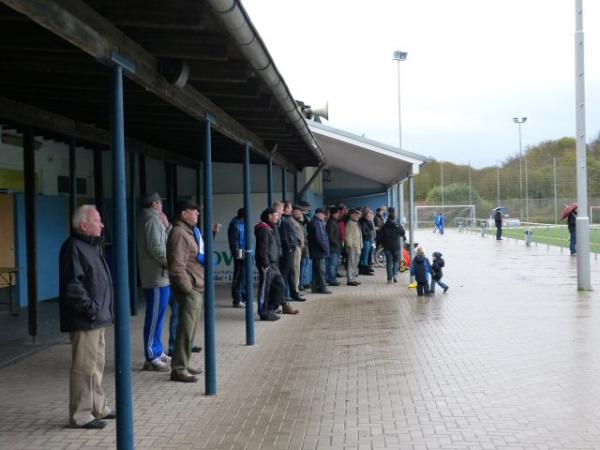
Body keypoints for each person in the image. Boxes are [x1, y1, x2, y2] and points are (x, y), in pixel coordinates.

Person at [59, 205, 115, 429]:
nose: (101, 224)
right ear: (83, 224)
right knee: (84, 367)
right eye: (97, 220)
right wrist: (91, 309)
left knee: (96, 365)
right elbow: (73, 286)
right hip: (86, 319)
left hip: (96, 318)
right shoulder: (74, 247)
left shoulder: (91, 246)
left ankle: (98, 407)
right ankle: (81, 415)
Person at [167, 201, 205, 383]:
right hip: (190, 288)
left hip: (195, 286)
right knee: (185, 329)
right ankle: (179, 369)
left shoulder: (189, 232)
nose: (197, 213)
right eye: (193, 211)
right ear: (183, 213)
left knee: (190, 329)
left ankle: (184, 362)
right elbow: (176, 266)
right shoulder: (179, 233)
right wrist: (188, 288)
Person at [136, 192, 172, 372]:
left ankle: (158, 350)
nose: (162, 205)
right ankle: (151, 355)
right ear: (154, 204)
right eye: (160, 202)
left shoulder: (156, 219)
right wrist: (171, 261)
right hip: (155, 276)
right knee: (154, 317)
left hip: (161, 275)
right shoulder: (150, 220)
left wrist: (167, 226)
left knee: (159, 315)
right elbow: (156, 247)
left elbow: (164, 242)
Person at [255, 208, 288, 320]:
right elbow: (262, 248)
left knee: (280, 286)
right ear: (269, 216)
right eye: (276, 215)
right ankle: (263, 313)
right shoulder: (263, 229)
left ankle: (271, 309)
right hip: (267, 265)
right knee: (265, 289)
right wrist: (265, 263)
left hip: (274, 264)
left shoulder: (272, 228)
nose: (278, 217)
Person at [279, 201, 303, 302]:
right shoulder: (284, 220)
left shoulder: (289, 219)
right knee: (286, 273)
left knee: (292, 272)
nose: (291, 209)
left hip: (292, 248)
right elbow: (284, 237)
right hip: (288, 250)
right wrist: (289, 248)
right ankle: (284, 295)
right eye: (289, 207)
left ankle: (294, 293)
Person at [307, 207, 331, 294]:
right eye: (323, 215)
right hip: (319, 251)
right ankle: (323, 288)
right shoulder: (317, 223)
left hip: (315, 250)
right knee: (321, 270)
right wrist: (325, 249)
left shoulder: (314, 222)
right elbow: (320, 238)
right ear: (319, 214)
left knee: (316, 270)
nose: (324, 216)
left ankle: (315, 288)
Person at [379, 211, 406, 284]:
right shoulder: (397, 225)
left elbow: (380, 236)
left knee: (388, 263)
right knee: (396, 261)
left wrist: (382, 244)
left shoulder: (384, 226)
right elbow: (403, 233)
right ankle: (395, 276)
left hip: (387, 247)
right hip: (396, 247)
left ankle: (389, 279)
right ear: (395, 218)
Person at [227, 208, 246, 308]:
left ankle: (243, 298)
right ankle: (237, 299)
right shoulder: (235, 224)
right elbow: (234, 241)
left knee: (244, 276)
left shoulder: (243, 224)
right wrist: (238, 253)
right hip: (239, 253)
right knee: (239, 275)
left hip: (245, 252)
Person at [291, 205, 306, 296]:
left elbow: (302, 221)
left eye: (300, 212)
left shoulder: (297, 221)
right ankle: (295, 291)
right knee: (295, 270)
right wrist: (298, 244)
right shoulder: (292, 221)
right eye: (297, 212)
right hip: (295, 248)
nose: (299, 214)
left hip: (299, 248)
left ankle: (296, 289)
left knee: (297, 270)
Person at [345, 209, 363, 286]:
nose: (357, 216)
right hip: (352, 247)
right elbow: (348, 236)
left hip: (358, 247)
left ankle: (353, 278)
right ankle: (350, 280)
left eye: (358, 215)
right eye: (356, 214)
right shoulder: (349, 223)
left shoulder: (356, 223)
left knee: (355, 263)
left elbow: (359, 236)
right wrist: (351, 245)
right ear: (351, 215)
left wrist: (361, 245)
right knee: (351, 263)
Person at [325, 206, 342, 286]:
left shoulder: (334, 222)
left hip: (336, 247)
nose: (339, 214)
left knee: (334, 264)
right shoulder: (331, 222)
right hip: (333, 247)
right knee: (332, 264)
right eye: (337, 213)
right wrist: (336, 243)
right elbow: (330, 236)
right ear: (333, 214)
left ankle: (332, 278)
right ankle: (331, 279)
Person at [298, 201, 312, 290]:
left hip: (308, 243)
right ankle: (301, 283)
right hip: (302, 244)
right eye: (307, 208)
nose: (308, 210)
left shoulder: (307, 218)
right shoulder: (298, 219)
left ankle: (305, 281)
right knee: (302, 264)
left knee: (307, 263)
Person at [358, 209, 375, 275]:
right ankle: (365, 270)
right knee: (365, 255)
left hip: (368, 240)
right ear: (365, 215)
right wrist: (369, 234)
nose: (370, 216)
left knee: (365, 255)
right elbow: (363, 232)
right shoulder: (364, 222)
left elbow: (371, 228)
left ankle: (362, 269)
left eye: (370, 214)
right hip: (365, 240)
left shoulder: (368, 221)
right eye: (368, 215)